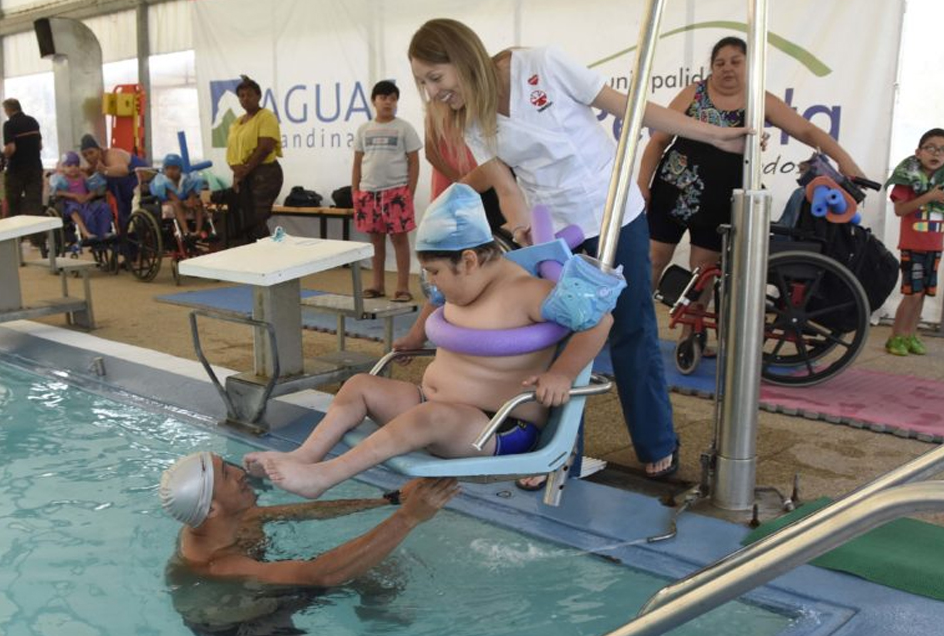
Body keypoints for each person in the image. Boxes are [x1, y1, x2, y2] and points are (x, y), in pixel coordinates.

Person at [402, 19, 747, 483]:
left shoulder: (540, 64)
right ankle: (557, 452)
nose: (431, 92)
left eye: (435, 78)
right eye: (422, 83)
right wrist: (520, 222)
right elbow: (506, 187)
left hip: (611, 212)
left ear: (461, 58)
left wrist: (714, 134)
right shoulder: (469, 117)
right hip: (554, 230)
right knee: (558, 339)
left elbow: (630, 108)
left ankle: (656, 442)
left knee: (630, 328)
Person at [245, 184, 619, 499]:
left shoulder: (525, 293)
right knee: (359, 385)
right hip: (435, 408)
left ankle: (325, 476)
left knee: (429, 417)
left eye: (436, 272)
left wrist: (562, 373)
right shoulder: (462, 284)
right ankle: (306, 456)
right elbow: (434, 302)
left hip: (496, 428)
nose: (432, 282)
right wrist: (414, 335)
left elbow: (600, 320)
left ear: (469, 260)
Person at [641, 36, 867, 348]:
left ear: (749, 65)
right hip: (671, 193)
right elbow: (657, 141)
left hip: (721, 202)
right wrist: (642, 184)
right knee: (652, 260)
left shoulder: (761, 101)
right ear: (711, 68)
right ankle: (633, 327)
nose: (727, 69)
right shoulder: (694, 92)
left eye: (736, 61)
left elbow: (807, 130)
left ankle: (689, 335)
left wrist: (846, 162)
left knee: (702, 272)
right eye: (719, 63)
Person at [159, 450, 458, 587]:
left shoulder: (228, 519)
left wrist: (390, 500)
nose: (239, 472)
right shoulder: (218, 565)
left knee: (381, 573)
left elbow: (307, 511)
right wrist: (408, 518)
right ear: (212, 509)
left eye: (227, 465)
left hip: (270, 586)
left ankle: (375, 618)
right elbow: (319, 575)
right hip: (249, 624)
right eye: (226, 474)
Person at [884, 128, 944, 356]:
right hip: (913, 246)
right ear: (919, 152)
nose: (937, 153)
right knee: (911, 294)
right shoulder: (907, 178)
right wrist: (928, 197)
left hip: (935, 247)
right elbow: (900, 209)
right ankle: (896, 337)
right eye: (931, 148)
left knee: (922, 293)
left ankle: (910, 335)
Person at [352, 80, 422, 302]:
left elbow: (414, 161)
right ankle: (377, 285)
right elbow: (357, 163)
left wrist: (409, 192)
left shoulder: (404, 128)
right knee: (375, 241)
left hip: (396, 193)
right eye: (383, 98)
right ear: (374, 101)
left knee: (400, 241)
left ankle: (402, 288)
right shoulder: (364, 129)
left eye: (392, 98)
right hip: (368, 193)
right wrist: (356, 192)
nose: (388, 102)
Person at [227, 75, 284, 240]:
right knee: (247, 220)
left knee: (257, 219)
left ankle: (269, 258)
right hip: (244, 175)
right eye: (241, 96)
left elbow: (265, 147)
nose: (245, 99)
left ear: (259, 96)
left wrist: (244, 170)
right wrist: (237, 174)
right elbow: (232, 152)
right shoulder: (237, 122)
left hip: (265, 174)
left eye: (250, 94)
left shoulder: (266, 116)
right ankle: (256, 258)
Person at [79, 134, 148, 259]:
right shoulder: (97, 165)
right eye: (85, 155)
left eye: (91, 152)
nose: (89, 157)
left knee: (128, 221)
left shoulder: (112, 155)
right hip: (125, 196)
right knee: (122, 220)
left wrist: (104, 170)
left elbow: (123, 170)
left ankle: (133, 254)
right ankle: (130, 256)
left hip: (141, 187)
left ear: (99, 150)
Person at [1, 98, 45, 250]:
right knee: (34, 203)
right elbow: (40, 146)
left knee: (14, 203)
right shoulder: (33, 121)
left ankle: (15, 238)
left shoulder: (9, 124)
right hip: (35, 167)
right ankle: (37, 240)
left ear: (8, 110)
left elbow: (11, 148)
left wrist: (3, 156)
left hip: (17, 169)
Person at [48, 151, 114, 244]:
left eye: (76, 165)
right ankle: (85, 232)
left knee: (104, 207)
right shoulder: (61, 179)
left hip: (86, 203)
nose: (73, 168)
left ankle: (104, 231)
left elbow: (94, 189)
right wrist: (74, 196)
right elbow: (56, 192)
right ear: (63, 167)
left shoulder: (83, 176)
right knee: (73, 210)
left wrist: (86, 197)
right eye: (69, 165)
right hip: (71, 205)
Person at [149, 153, 214, 241]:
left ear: (180, 169)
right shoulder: (163, 181)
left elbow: (191, 191)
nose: (171, 171)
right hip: (165, 201)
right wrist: (185, 204)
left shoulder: (186, 179)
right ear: (164, 169)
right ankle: (186, 231)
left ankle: (198, 231)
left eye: (174, 168)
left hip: (183, 199)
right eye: (168, 168)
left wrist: (192, 200)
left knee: (198, 203)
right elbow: (173, 197)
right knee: (176, 204)